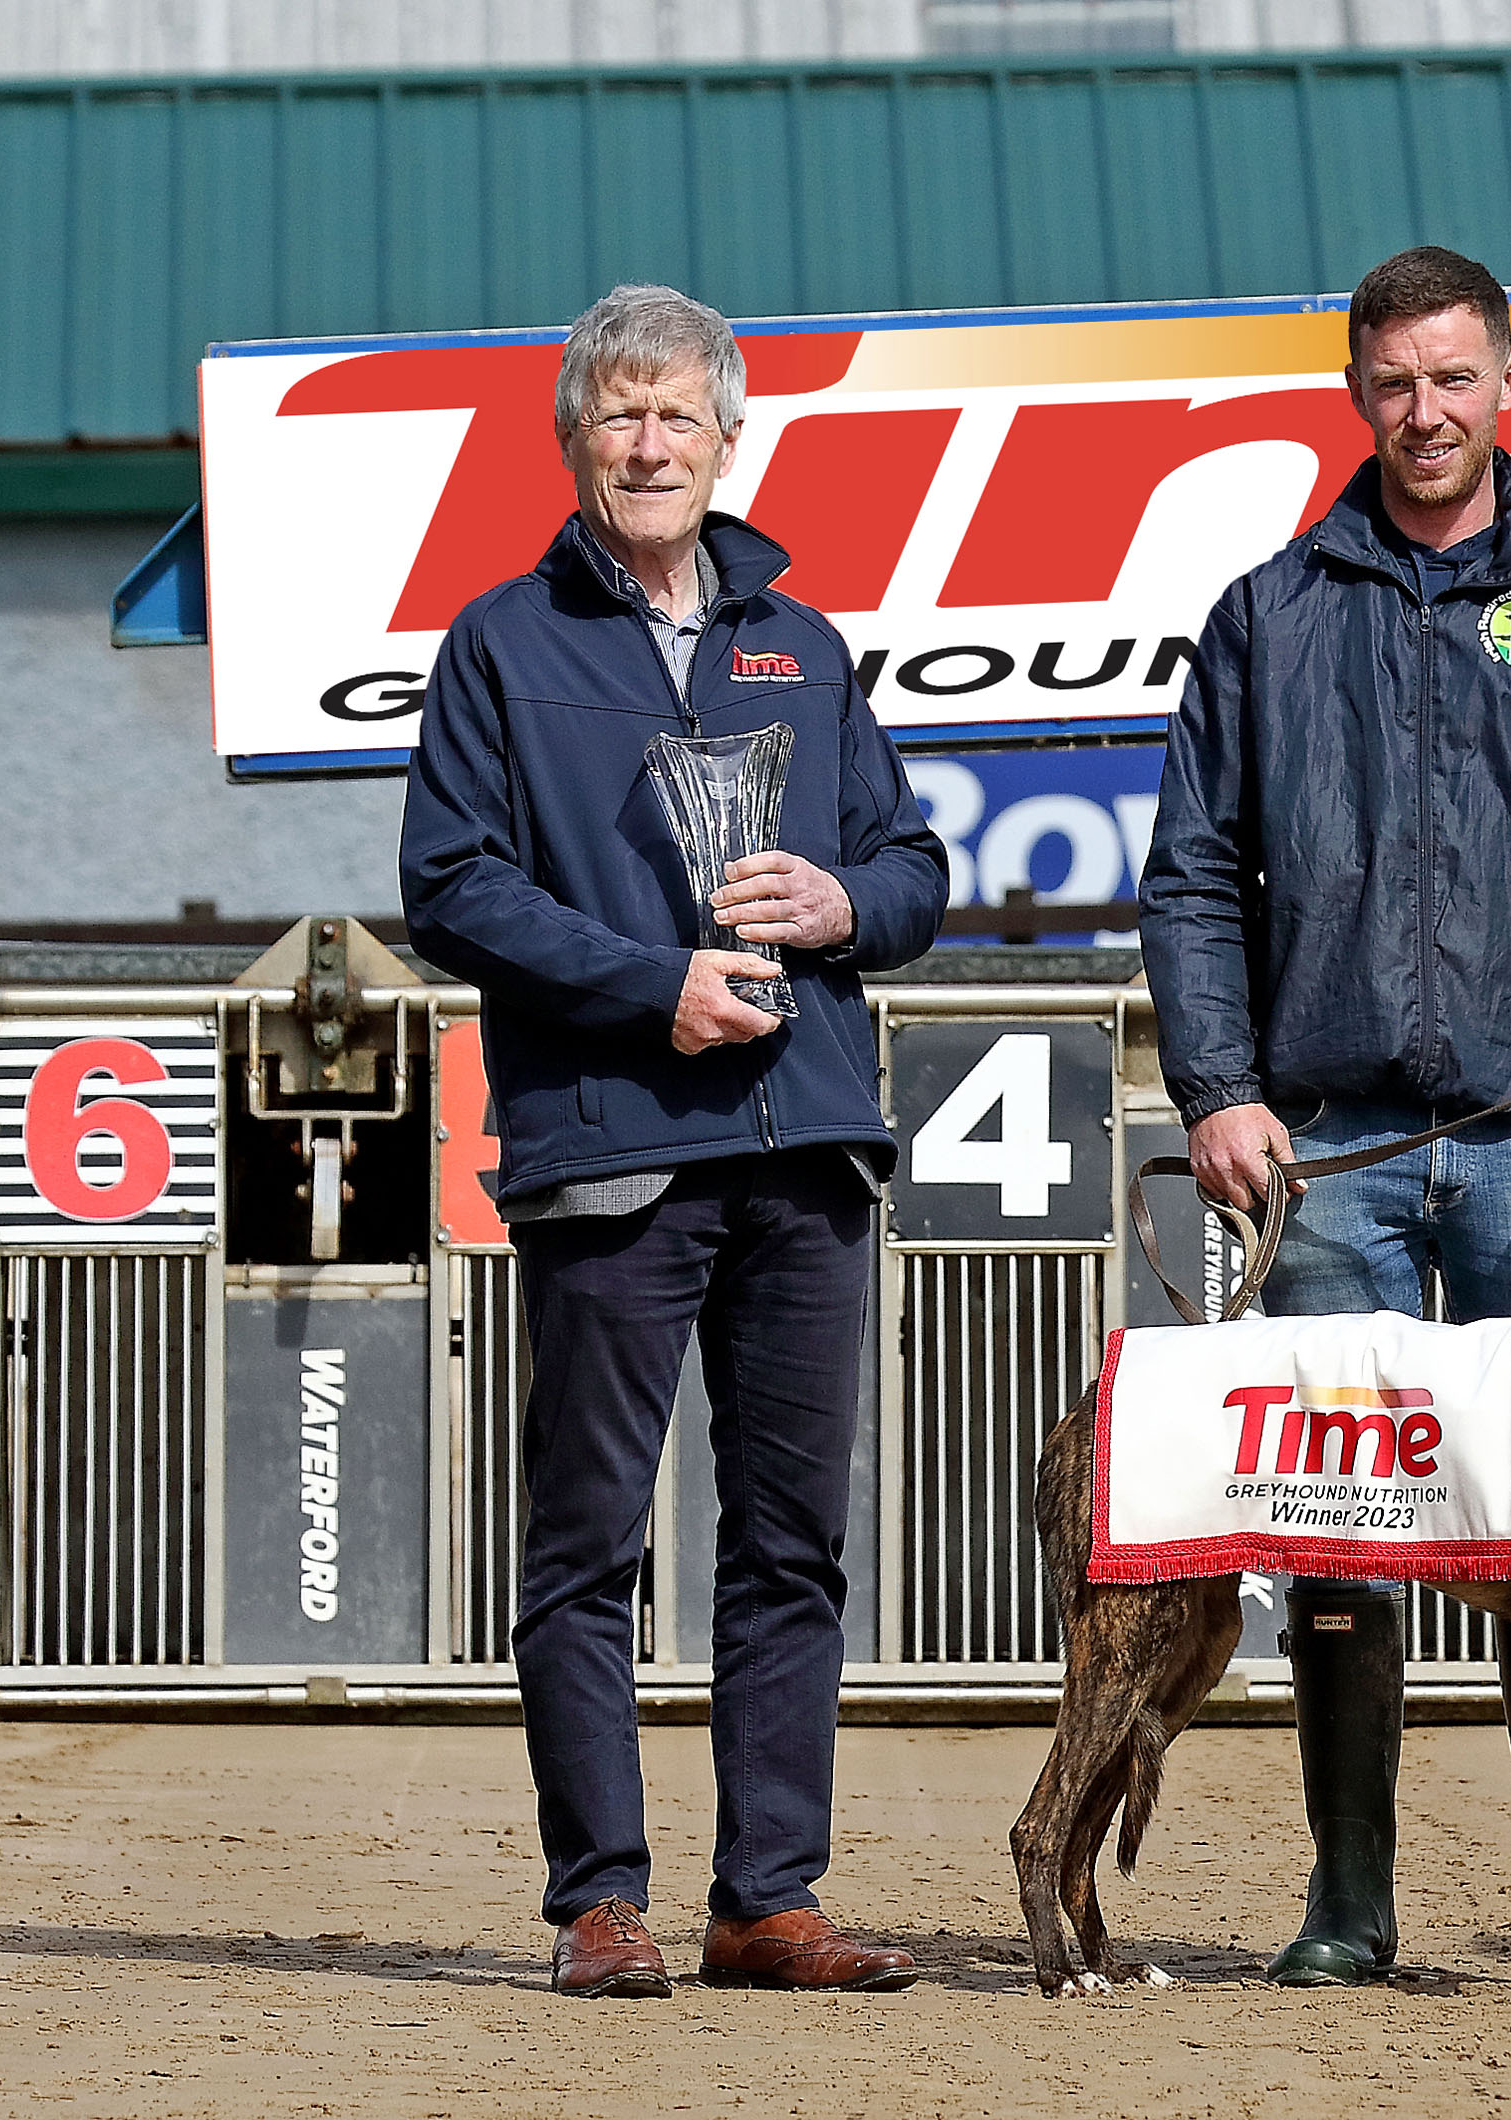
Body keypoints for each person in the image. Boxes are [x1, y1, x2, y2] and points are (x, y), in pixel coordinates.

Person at [1139, 245, 1511, 1988]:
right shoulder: (1268, 614)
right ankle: (1351, 1897)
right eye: (1394, 382)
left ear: (1510, 381)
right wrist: (1221, 1090)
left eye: (1454, 377)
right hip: (1332, 1156)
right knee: (1339, 1529)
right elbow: (1190, 878)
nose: (1426, 411)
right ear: (1357, 395)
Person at [401, 283, 948, 1999]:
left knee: (790, 1544)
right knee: (590, 1543)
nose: (650, 444)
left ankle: (766, 1899)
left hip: (807, 1150)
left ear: (729, 440)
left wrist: (847, 900)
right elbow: (448, 885)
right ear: (574, 442)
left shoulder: (808, 643)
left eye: (678, 416)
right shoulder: (503, 641)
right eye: (618, 415)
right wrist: (656, 987)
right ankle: (598, 1903)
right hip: (614, 1143)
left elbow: (921, 873)